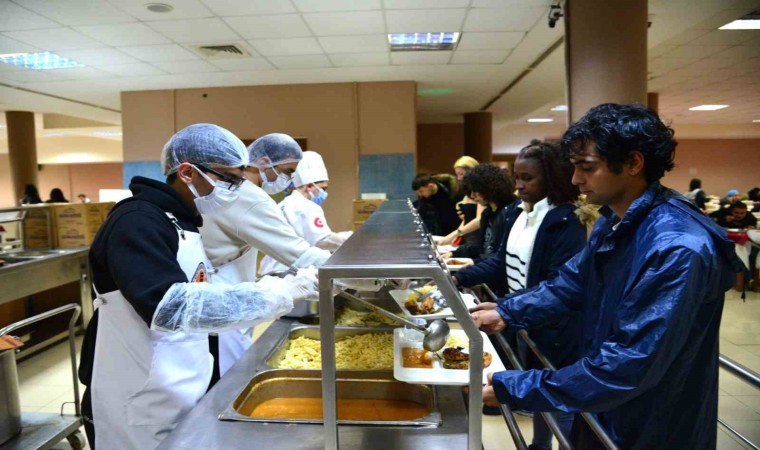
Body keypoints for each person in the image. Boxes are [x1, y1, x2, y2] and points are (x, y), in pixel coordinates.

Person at [471, 103, 744, 449]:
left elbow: (629, 365)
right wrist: (506, 312)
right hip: (606, 409)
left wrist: (521, 387)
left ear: (633, 163)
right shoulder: (615, 219)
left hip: (652, 423)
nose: (575, 180)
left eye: (587, 167)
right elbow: (571, 281)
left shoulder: (678, 248)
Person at [77, 124, 318, 450]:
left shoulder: (183, 221)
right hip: (138, 398)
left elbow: (202, 290)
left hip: (179, 384)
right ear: (188, 173)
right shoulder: (137, 220)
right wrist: (280, 292)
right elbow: (173, 306)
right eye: (229, 180)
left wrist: (267, 289)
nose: (237, 189)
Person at [457, 141, 587, 449]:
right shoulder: (519, 212)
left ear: (552, 179)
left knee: (556, 396)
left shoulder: (565, 222)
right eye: (517, 176)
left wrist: (507, 307)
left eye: (528, 178)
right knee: (536, 384)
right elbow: (500, 261)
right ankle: (539, 445)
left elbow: (557, 284)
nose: (518, 185)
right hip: (524, 318)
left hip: (555, 326)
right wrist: (456, 276)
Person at [201, 134, 331, 375]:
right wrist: (355, 272)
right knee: (229, 370)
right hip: (223, 289)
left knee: (233, 354)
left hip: (234, 285)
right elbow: (298, 253)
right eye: (288, 171)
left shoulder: (243, 193)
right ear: (262, 162)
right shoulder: (246, 197)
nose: (289, 179)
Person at [260, 151, 350, 274]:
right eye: (323, 188)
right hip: (292, 270)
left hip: (273, 268)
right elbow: (321, 240)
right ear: (309, 186)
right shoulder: (307, 207)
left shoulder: (285, 204)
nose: (324, 193)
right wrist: (350, 241)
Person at [447, 164, 515, 274]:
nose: (473, 196)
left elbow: (501, 255)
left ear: (489, 188)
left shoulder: (510, 213)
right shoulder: (487, 213)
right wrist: (454, 254)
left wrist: (475, 262)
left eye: (476, 191)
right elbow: (481, 247)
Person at [437, 156, 485, 246]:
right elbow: (467, 220)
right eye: (457, 174)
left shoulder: (481, 191)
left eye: (461, 174)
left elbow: (479, 220)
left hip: (479, 238)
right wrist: (452, 237)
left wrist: (456, 234)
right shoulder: (469, 191)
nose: (458, 178)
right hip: (469, 236)